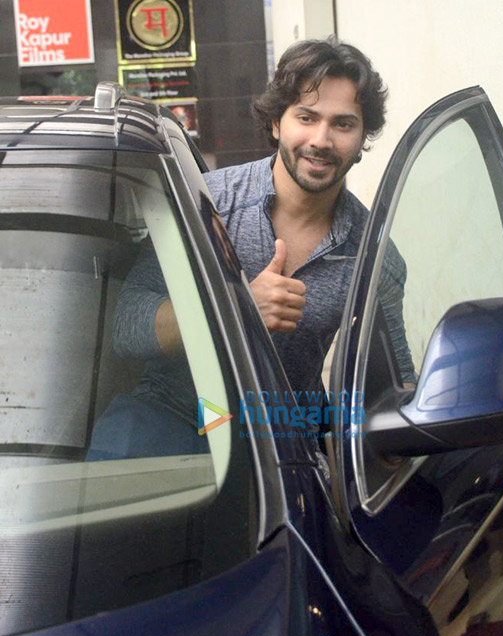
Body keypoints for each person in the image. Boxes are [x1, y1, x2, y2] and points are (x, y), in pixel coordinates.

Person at [87, 37, 414, 460]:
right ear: (277, 122)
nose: (321, 139)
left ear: (363, 136)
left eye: (343, 124)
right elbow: (127, 327)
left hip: (276, 447)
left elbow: (396, 388)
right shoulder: (205, 203)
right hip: (168, 420)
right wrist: (235, 306)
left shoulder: (373, 254)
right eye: (306, 117)